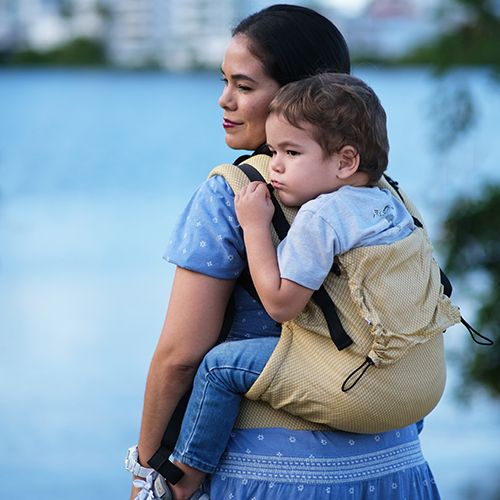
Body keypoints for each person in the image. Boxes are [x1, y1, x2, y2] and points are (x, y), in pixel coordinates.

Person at [126, 4, 443, 500]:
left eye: (244, 86)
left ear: (298, 93)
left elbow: (180, 358)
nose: (223, 100)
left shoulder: (234, 192)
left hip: (278, 478)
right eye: (224, 81)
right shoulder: (385, 195)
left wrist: (146, 474)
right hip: (399, 469)